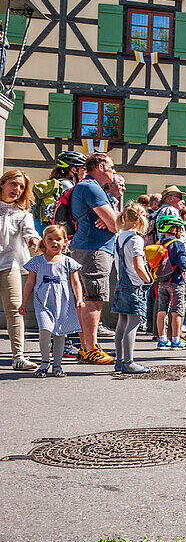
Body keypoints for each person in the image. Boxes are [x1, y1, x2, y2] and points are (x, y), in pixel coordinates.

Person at [68, 152, 120, 365]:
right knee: (94, 299)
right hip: (94, 249)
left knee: (86, 298)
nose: (114, 171)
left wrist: (112, 218)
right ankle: (91, 348)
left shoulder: (86, 187)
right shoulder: (91, 187)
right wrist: (114, 219)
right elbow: (115, 224)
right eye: (111, 167)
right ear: (100, 167)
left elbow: (113, 221)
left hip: (87, 247)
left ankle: (86, 347)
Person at [19, 226, 84, 377]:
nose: (54, 242)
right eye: (50, 239)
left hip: (63, 303)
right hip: (43, 302)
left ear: (65, 242)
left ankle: (57, 365)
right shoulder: (36, 261)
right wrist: (23, 303)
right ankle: (44, 362)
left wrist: (79, 299)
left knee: (60, 333)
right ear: (44, 241)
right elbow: (29, 283)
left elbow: (76, 283)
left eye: (58, 239)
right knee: (45, 330)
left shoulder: (69, 262)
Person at [0, 170, 40, 370]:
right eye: (13, 184)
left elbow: (30, 233)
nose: (17, 189)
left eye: (21, 186)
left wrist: (34, 241)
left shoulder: (23, 214)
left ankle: (18, 357)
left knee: (15, 310)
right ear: (2, 183)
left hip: (9, 264)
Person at [111, 203, 154, 373]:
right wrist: (148, 279)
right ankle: (129, 362)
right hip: (134, 286)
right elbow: (138, 266)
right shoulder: (136, 239)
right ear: (140, 219)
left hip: (121, 283)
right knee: (133, 323)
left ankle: (120, 360)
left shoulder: (120, 236)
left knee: (122, 323)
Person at [153, 211, 186, 351]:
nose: (181, 230)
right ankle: (176, 340)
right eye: (179, 228)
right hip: (176, 282)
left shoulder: (159, 243)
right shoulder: (178, 244)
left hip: (161, 282)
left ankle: (162, 340)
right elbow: (182, 264)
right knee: (176, 312)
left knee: (162, 310)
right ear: (173, 229)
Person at [31, 151, 85, 234]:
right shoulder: (67, 185)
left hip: (43, 227)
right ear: (74, 170)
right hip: (55, 230)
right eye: (83, 168)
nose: (85, 172)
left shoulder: (57, 182)